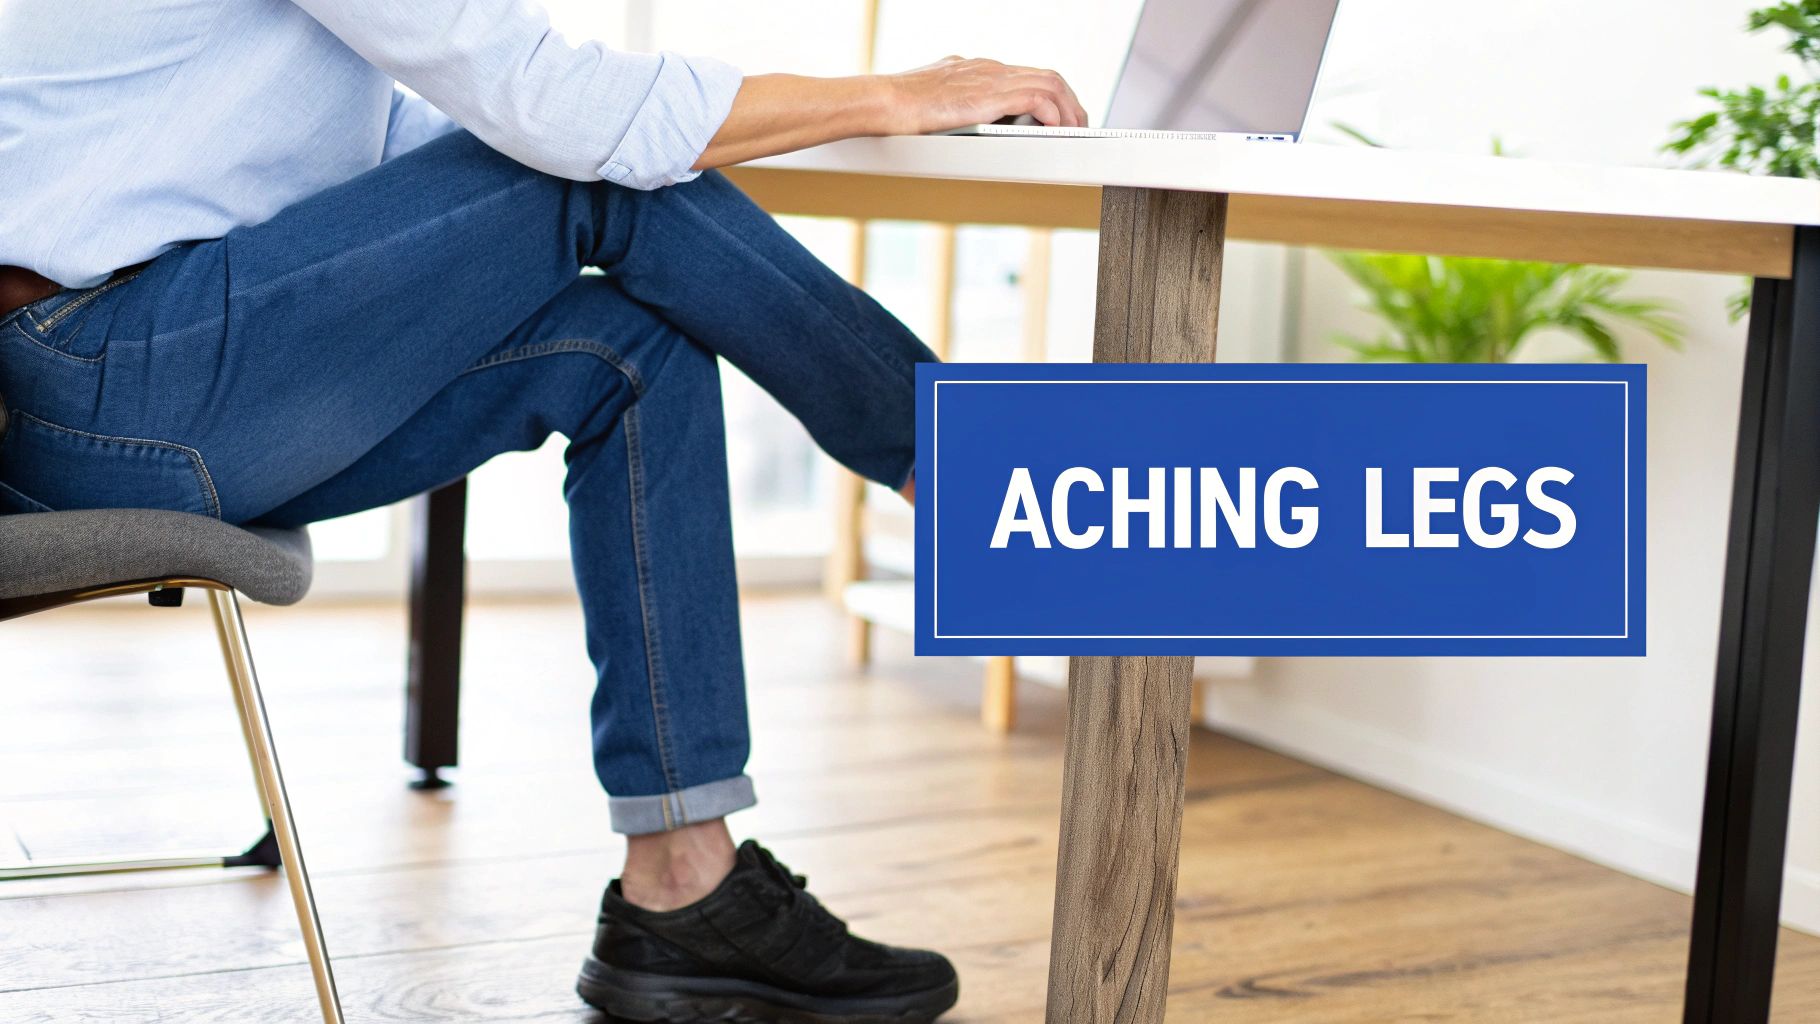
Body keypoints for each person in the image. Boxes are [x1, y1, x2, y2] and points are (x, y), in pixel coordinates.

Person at [0, 1, 1088, 1021]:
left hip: (177, 392)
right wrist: (889, 96)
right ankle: (970, 481)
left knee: (628, 351)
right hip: (110, 376)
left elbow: (409, 150)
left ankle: (683, 881)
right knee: (609, 177)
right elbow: (560, 116)